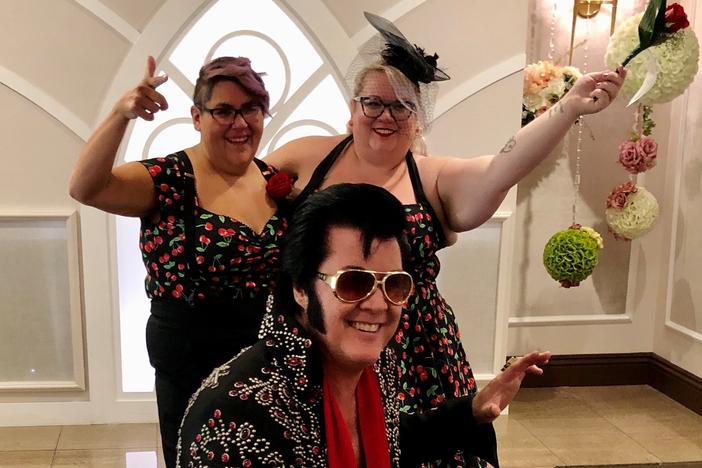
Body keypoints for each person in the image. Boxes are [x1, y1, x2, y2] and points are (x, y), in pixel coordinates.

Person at [262, 12, 625, 467]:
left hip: (417, 350)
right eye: (373, 103)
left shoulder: (434, 178)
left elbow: (503, 167)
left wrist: (567, 109)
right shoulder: (306, 155)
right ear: (352, 108)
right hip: (317, 336)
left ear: (418, 121)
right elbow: (237, 189)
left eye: (401, 106)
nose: (385, 116)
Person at [177, 183, 551, 468]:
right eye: (353, 282)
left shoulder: (374, 361)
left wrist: (472, 409)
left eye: (394, 284)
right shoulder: (235, 417)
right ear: (300, 289)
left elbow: (386, 440)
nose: (377, 305)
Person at [69, 55, 288, 468]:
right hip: (191, 356)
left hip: (263, 355)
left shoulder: (273, 179)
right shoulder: (169, 178)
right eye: (223, 110)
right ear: (197, 116)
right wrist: (121, 113)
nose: (240, 123)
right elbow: (86, 187)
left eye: (251, 109)